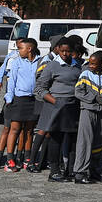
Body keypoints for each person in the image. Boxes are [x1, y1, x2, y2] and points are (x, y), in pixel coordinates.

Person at [36, 39, 83, 182]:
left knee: (73, 139)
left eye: (68, 51)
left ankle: (71, 169)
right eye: (62, 51)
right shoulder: (52, 66)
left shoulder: (78, 66)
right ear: (57, 49)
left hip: (73, 105)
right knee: (56, 138)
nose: (65, 54)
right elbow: (39, 89)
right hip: (57, 105)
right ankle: (54, 171)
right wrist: (55, 101)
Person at [72, 50, 102, 184]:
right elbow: (78, 92)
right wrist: (94, 98)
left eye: (94, 64)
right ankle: (80, 172)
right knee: (85, 141)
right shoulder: (85, 74)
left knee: (97, 142)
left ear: (101, 63)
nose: (91, 65)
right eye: (90, 63)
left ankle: (94, 170)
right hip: (87, 111)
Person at [1, 39, 38, 172]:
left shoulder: (40, 62)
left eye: (20, 48)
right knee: (15, 129)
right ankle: (10, 158)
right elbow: (12, 81)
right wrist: (9, 98)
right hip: (19, 99)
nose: (18, 51)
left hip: (33, 99)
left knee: (29, 130)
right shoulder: (17, 62)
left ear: (29, 49)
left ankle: (27, 157)